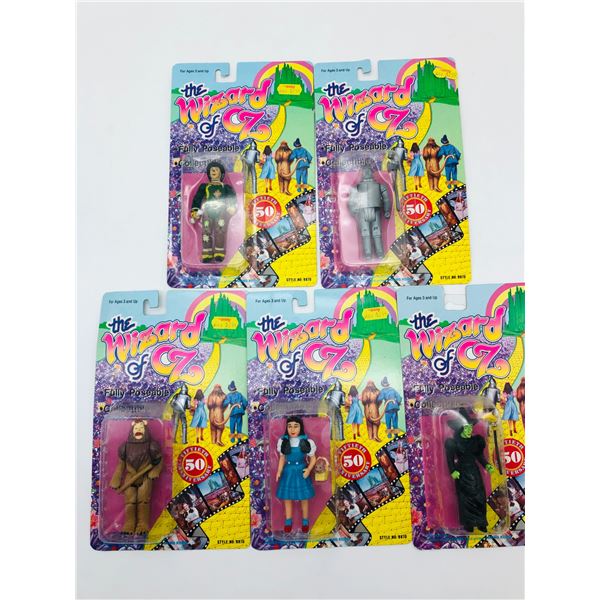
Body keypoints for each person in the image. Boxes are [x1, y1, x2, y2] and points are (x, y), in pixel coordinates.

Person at [445, 411, 494, 533]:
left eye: (470, 427)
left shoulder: (476, 441)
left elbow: (480, 456)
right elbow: (449, 459)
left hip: (474, 472)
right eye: (466, 428)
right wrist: (453, 471)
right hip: (462, 473)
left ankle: (481, 523)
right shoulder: (454, 442)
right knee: (465, 499)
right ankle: (468, 524)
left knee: (479, 497)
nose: (469, 430)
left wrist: (487, 465)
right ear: (461, 429)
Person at [275, 416, 317, 534]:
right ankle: (288, 520)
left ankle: (305, 520)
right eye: (289, 426)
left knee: (304, 497)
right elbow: (282, 458)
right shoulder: (283, 442)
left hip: (301, 471)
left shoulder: (307, 442)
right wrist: (279, 471)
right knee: (287, 498)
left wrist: (308, 469)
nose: (292, 429)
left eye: (295, 426)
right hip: (288, 472)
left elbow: (313, 458)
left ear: (300, 427)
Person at [190, 161, 237, 263]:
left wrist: (232, 206)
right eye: (211, 170)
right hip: (207, 212)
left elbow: (231, 197)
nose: (213, 171)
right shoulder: (204, 186)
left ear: (221, 173)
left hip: (221, 212)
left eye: (216, 169)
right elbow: (197, 198)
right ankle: (207, 253)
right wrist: (195, 211)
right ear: (209, 173)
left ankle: (219, 253)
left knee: (220, 231)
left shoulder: (225, 187)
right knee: (206, 232)